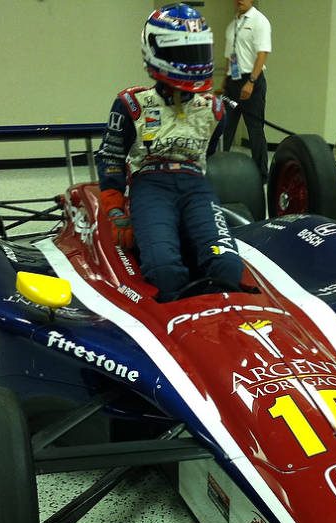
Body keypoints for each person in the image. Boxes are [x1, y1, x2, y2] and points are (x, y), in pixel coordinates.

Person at [94, 3, 243, 303]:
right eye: (185, 52)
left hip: (196, 187)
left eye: (199, 51)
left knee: (227, 266)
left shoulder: (215, 109)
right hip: (150, 186)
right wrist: (114, 209)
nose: (195, 62)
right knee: (163, 271)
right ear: (155, 50)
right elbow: (111, 157)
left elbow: (208, 154)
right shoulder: (131, 104)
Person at [222, 0, 271, 183]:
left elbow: (262, 53)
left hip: (252, 80)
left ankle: (261, 175)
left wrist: (251, 81)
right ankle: (219, 168)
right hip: (232, 81)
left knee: (255, 129)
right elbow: (229, 56)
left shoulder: (260, 21)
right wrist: (224, 81)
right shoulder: (232, 25)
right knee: (224, 127)